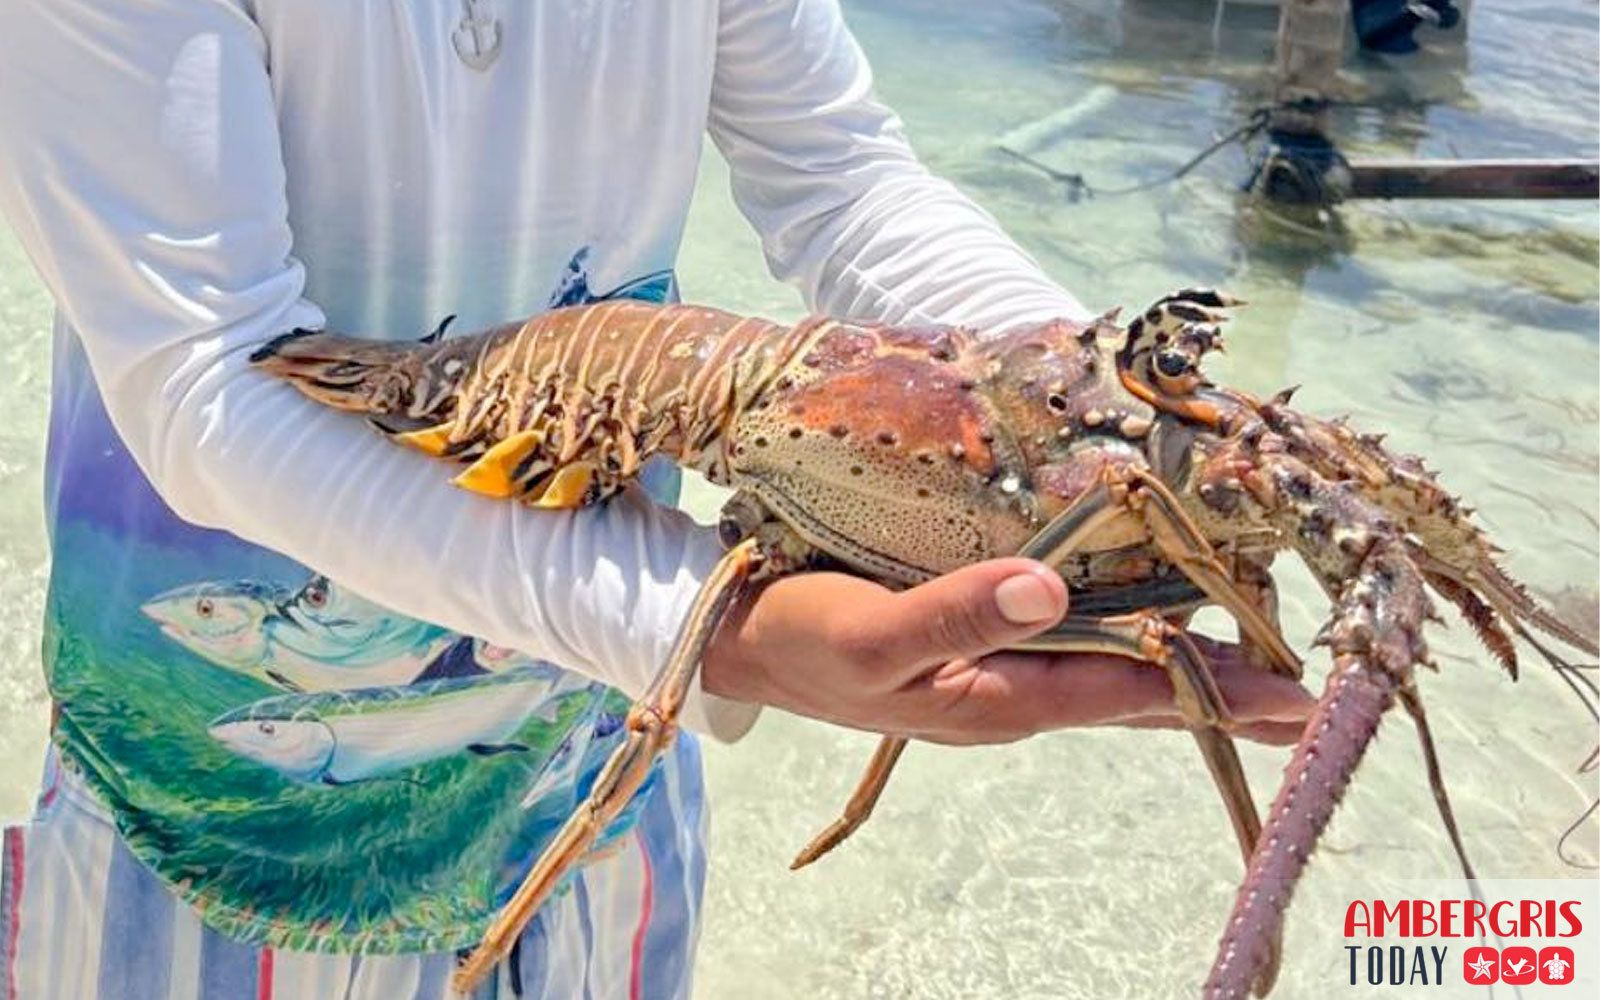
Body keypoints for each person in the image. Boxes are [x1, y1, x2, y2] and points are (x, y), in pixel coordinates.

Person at [0, 1, 1313, 997]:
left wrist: (1078, 400)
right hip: (220, 822)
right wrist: (713, 624)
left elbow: (839, 172)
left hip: (603, 771)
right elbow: (206, 373)